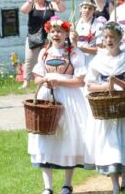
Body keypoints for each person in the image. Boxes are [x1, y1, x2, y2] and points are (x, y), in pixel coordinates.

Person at [28, 16, 88, 194]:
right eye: (53, 31)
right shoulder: (44, 53)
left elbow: (80, 81)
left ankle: (67, 184)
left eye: (59, 31)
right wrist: (45, 81)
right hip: (47, 97)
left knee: (68, 137)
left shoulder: (74, 53)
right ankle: (47, 187)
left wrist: (60, 81)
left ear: (66, 34)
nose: (56, 34)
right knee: (45, 136)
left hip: (69, 99)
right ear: (48, 32)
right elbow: (36, 76)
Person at [84, 22, 125, 194]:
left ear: (120, 39)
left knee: (124, 137)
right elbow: (89, 84)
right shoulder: (99, 59)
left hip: (124, 104)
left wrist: (117, 82)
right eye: (106, 37)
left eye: (112, 37)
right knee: (109, 141)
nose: (109, 40)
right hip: (106, 105)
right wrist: (105, 87)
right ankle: (115, 184)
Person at [20, 0, 66, 89]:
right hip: (33, 36)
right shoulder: (32, 5)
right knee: (29, 59)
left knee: (45, 59)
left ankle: (44, 80)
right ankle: (26, 81)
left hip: (48, 37)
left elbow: (62, 9)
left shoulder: (50, 5)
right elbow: (23, 10)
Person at [72, 0, 104, 67]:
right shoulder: (75, 24)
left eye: (90, 8)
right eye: (85, 7)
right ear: (80, 9)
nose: (87, 10)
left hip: (92, 61)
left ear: (94, 11)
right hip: (77, 59)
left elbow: (100, 50)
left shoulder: (99, 25)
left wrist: (80, 48)